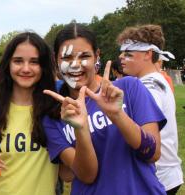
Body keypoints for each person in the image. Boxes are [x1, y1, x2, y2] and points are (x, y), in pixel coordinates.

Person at [43, 23, 167, 194]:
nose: (75, 65)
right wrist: (80, 129)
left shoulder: (129, 88)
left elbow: (153, 153)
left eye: (84, 56)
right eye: (67, 58)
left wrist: (117, 115)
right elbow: (87, 176)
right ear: (56, 60)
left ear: (97, 56)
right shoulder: (54, 115)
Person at [0, 32, 59, 195]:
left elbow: (68, 174)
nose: (25, 68)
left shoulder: (55, 113)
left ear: (44, 66)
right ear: (8, 65)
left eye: (34, 62)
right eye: (18, 61)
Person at [118, 24, 183, 195]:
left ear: (148, 54)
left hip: (157, 176)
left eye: (128, 53)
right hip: (166, 173)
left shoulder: (148, 86)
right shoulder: (155, 80)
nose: (121, 57)